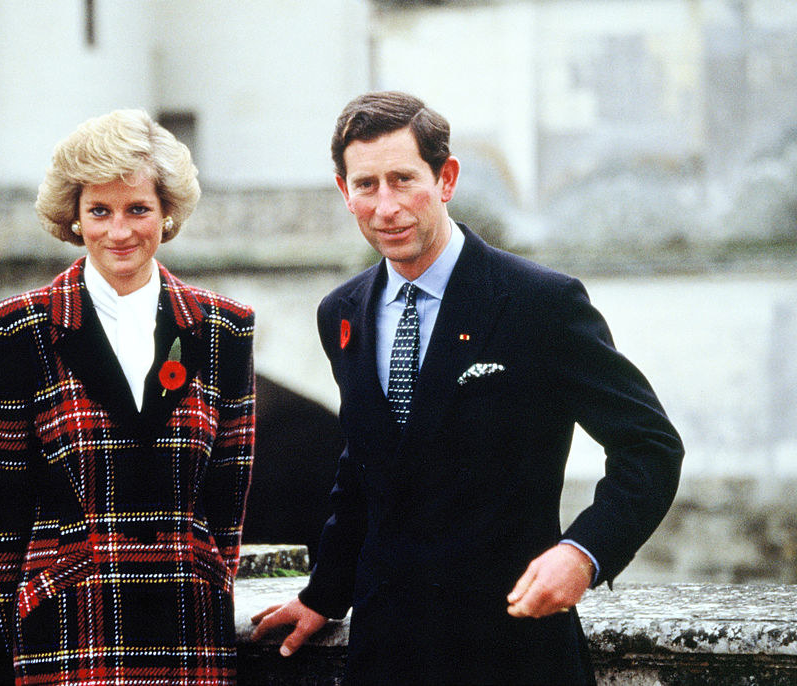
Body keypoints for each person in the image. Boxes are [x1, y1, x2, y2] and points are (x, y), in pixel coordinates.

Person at [251, 91, 684, 685]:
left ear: (446, 178)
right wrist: (324, 595)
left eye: (403, 180)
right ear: (343, 191)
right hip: (386, 655)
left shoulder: (539, 302)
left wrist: (582, 553)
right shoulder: (342, 313)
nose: (386, 207)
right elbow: (362, 473)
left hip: (512, 648)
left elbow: (650, 449)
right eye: (367, 185)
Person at [0, 110, 255, 685]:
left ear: (165, 211)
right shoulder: (13, 329)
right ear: (74, 216)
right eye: (100, 210)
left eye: (137, 209)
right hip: (70, 638)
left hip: (190, 632)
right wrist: (17, 630)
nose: (119, 231)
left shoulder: (224, 327)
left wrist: (210, 583)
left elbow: (229, 491)